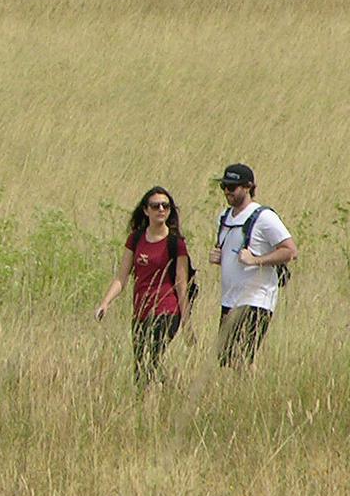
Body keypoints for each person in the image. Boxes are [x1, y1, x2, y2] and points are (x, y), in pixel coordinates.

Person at [95, 186, 191, 384]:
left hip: (167, 310)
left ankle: (168, 392)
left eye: (165, 206)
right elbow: (121, 278)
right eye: (155, 206)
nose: (161, 210)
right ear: (146, 210)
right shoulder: (136, 239)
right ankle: (160, 396)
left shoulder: (176, 243)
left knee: (152, 359)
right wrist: (105, 303)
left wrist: (186, 322)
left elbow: (182, 285)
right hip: (141, 312)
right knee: (140, 368)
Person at [208, 164, 296, 368]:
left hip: (257, 298)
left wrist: (256, 260)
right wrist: (219, 257)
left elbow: (290, 251)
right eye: (224, 187)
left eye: (233, 187)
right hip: (230, 298)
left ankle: (247, 392)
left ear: (248, 187)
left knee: (242, 357)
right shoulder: (224, 217)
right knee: (225, 359)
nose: (227, 192)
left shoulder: (264, 217)